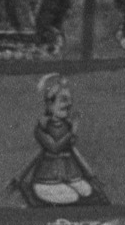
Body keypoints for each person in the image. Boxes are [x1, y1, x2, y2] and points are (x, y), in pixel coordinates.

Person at [14, 74, 105, 206]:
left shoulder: (67, 126)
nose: (69, 104)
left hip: (70, 177)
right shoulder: (42, 128)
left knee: (87, 191)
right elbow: (54, 147)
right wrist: (71, 132)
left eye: (69, 100)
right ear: (50, 104)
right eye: (63, 100)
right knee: (72, 197)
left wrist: (90, 174)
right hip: (47, 181)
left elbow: (74, 152)